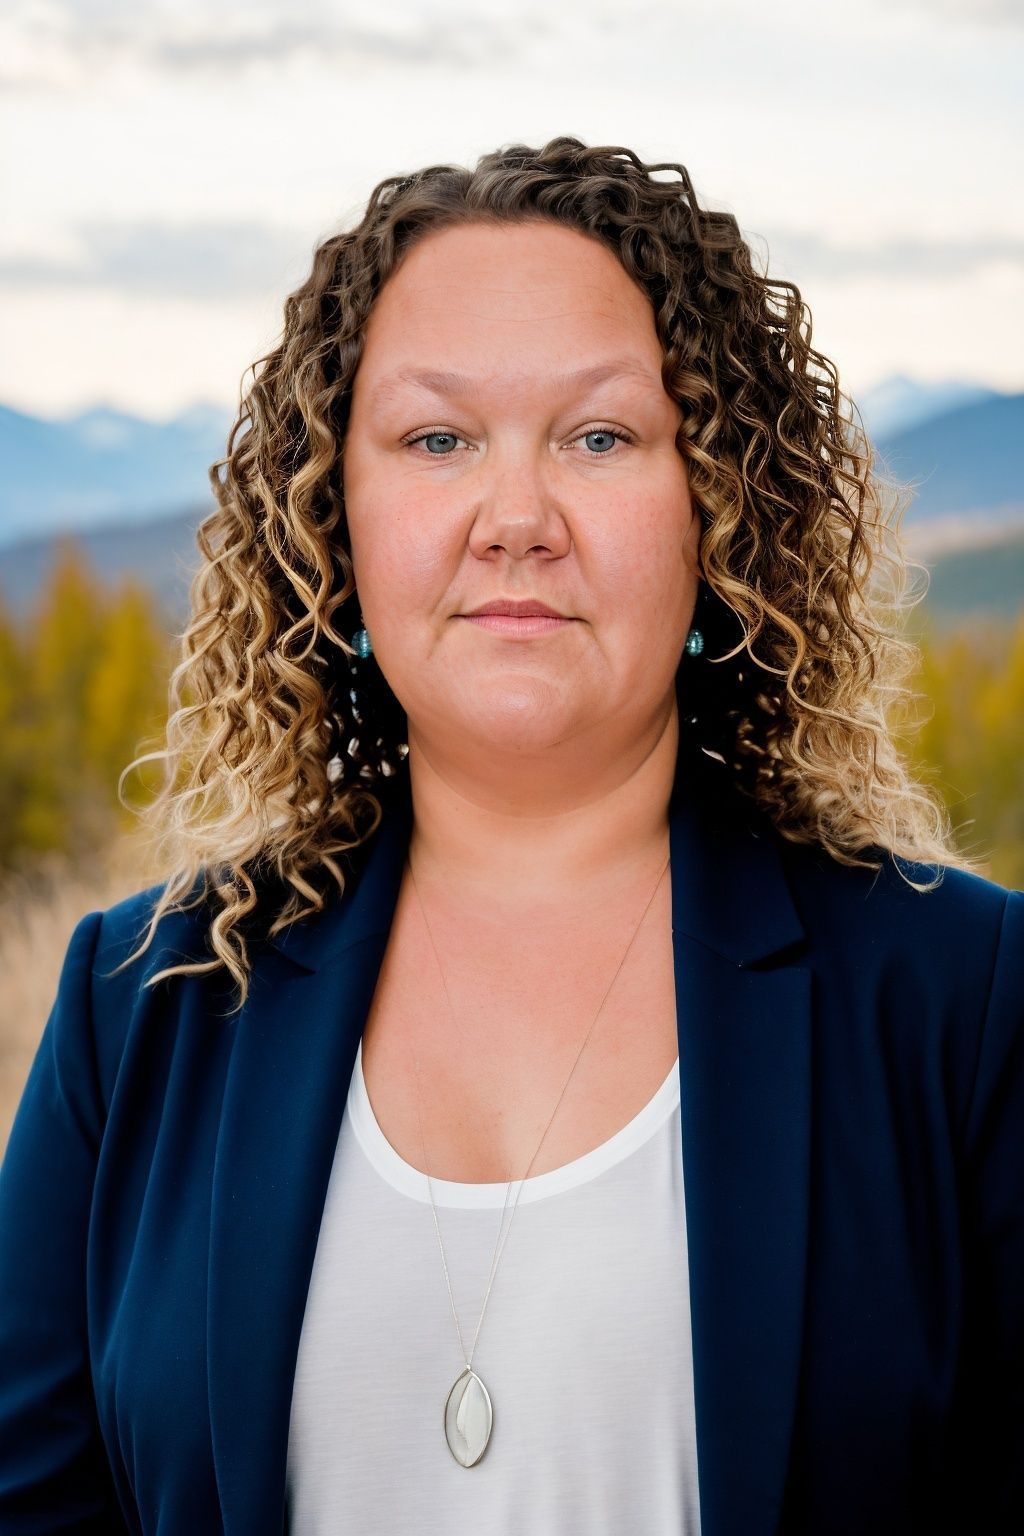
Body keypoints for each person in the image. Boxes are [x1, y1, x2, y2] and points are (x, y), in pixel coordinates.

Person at [0, 136, 1020, 1536]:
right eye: (437, 440)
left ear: (716, 513)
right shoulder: (147, 1008)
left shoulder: (964, 1000)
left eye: (600, 437)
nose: (517, 520)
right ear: (332, 518)